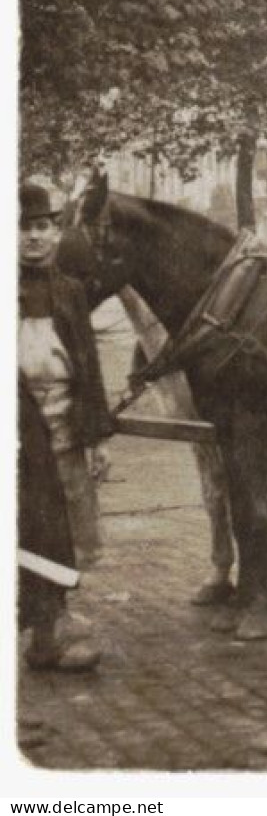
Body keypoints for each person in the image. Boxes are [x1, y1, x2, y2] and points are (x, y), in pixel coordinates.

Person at [18, 182, 112, 671]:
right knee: (29, 527)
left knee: (66, 529)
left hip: (64, 427)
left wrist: (96, 438)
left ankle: (49, 627)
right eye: (22, 229)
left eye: (41, 228)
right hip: (17, 432)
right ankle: (46, 628)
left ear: (55, 233)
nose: (33, 238)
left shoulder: (71, 293)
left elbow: (88, 366)